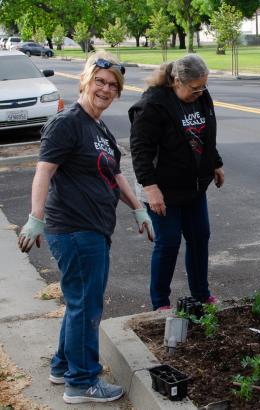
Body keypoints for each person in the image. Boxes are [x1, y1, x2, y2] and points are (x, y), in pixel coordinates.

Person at [17, 51, 153, 404]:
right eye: (100, 82)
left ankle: (64, 366)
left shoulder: (98, 127)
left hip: (92, 229)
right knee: (87, 306)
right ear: (86, 81)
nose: (105, 89)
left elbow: (115, 173)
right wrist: (36, 217)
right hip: (75, 230)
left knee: (80, 302)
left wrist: (139, 209)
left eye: (112, 85)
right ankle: (82, 382)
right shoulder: (68, 122)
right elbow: (44, 170)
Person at [129, 54, 224, 311]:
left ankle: (201, 295)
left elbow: (206, 133)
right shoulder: (152, 105)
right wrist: (150, 188)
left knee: (200, 237)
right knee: (168, 242)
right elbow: (140, 151)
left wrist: (214, 161)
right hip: (162, 189)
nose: (201, 92)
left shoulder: (201, 96)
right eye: (195, 88)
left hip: (193, 186)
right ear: (176, 81)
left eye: (204, 86)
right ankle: (160, 303)